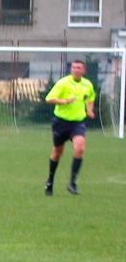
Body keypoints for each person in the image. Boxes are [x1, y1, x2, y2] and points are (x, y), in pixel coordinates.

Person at [44, 59, 97, 195]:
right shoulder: (63, 83)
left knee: (80, 148)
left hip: (77, 123)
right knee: (57, 152)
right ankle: (50, 181)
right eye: (74, 67)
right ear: (71, 69)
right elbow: (49, 98)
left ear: (84, 71)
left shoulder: (87, 85)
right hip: (61, 122)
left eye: (79, 68)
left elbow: (90, 97)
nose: (76, 70)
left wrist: (89, 110)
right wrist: (64, 101)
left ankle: (72, 183)